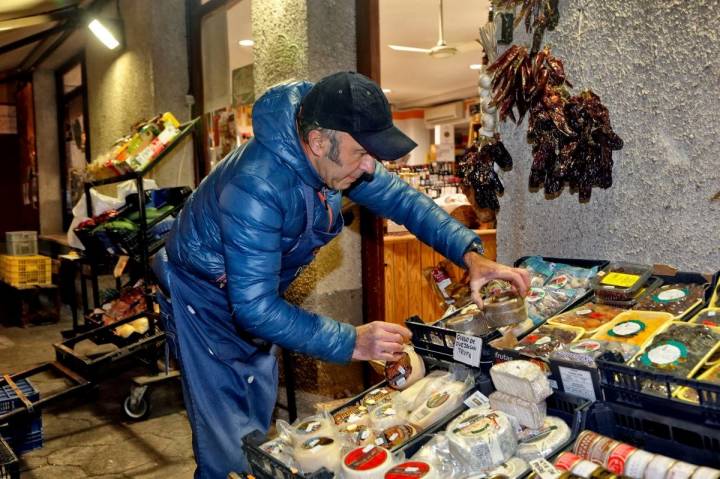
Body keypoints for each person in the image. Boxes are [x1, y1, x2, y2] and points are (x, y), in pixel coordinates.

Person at [152, 71, 530, 478]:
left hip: (248, 293)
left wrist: (471, 255)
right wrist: (351, 341)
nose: (370, 166)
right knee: (226, 441)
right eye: (362, 153)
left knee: (254, 421)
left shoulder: (333, 153)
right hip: (203, 298)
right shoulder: (257, 186)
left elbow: (404, 202)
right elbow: (254, 307)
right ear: (318, 142)